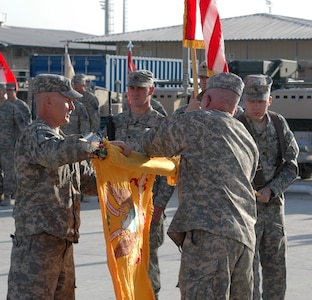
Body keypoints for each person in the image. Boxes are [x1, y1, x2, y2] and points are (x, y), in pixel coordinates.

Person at [6, 74, 130, 299]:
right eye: (67, 100)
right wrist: (100, 147)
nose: (73, 106)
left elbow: (91, 183)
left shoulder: (63, 140)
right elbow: (55, 154)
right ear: (47, 101)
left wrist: (125, 174)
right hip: (37, 246)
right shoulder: (36, 136)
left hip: (62, 244)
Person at [142, 72, 260, 299]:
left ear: (205, 100)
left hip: (210, 238)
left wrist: (186, 113)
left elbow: (151, 143)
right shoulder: (245, 136)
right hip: (244, 240)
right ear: (235, 108)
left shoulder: (196, 120)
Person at [105, 70, 174, 299]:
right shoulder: (115, 123)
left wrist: (160, 206)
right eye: (132, 88)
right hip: (121, 205)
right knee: (123, 263)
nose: (135, 93)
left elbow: (168, 167)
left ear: (151, 91)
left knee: (146, 263)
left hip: (148, 206)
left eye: (141, 89)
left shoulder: (161, 124)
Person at [239, 74, 299, 300]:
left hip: (273, 210)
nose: (256, 106)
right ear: (244, 100)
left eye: (260, 101)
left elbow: (292, 165)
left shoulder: (278, 123)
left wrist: (272, 189)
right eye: (251, 101)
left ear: (269, 100)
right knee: (247, 273)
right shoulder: (236, 125)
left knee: (276, 269)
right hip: (245, 211)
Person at [0, 83, 27, 206]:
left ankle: (7, 195)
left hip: (8, 146)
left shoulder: (12, 108)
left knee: (9, 172)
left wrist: (19, 143)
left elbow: (22, 127)